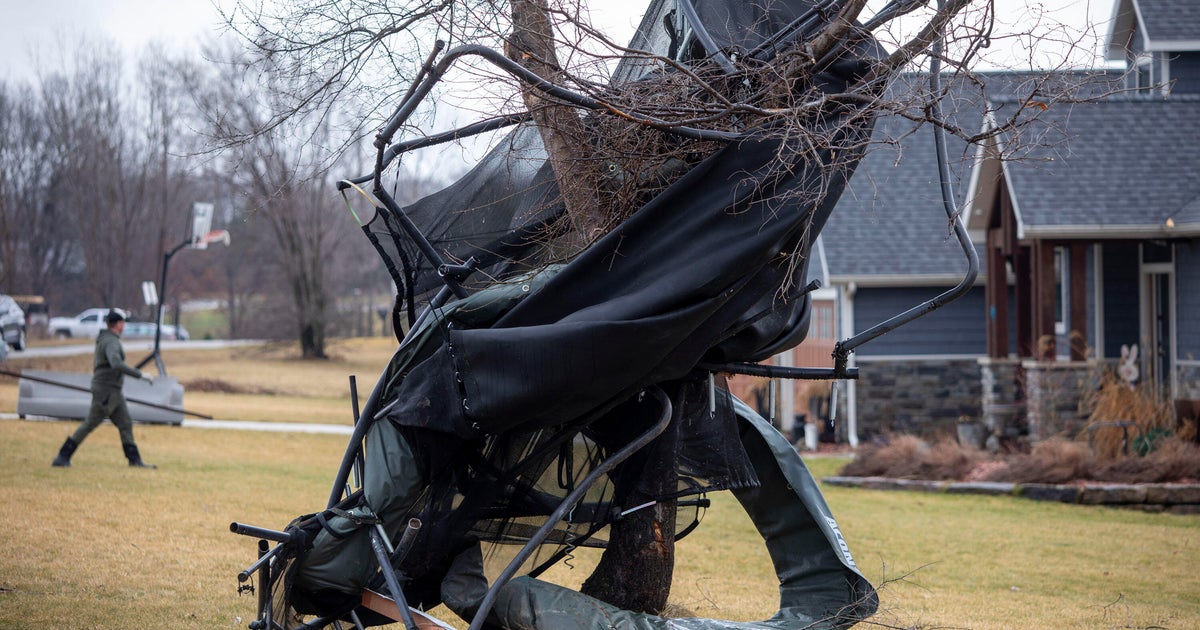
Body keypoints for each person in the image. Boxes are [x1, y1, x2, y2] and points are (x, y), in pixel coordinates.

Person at [51, 309, 157, 468]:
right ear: (119, 324)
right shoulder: (111, 342)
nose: (124, 325)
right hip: (105, 391)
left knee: (125, 423)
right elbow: (115, 363)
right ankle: (62, 456)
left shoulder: (107, 338)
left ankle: (134, 460)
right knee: (90, 423)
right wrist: (139, 375)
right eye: (123, 322)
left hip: (114, 391)